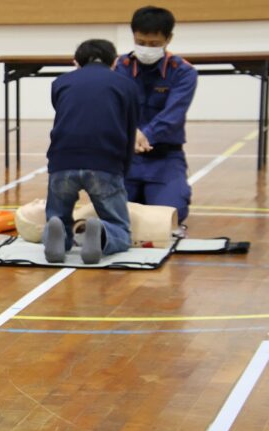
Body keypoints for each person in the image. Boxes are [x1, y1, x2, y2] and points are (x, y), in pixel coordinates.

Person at [43, 39, 138, 264]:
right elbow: (130, 129)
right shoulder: (126, 85)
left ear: (76, 63)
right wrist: (122, 170)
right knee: (120, 228)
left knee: (57, 214)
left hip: (62, 162)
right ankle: (104, 232)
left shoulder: (60, 83)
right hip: (104, 162)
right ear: (114, 62)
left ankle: (57, 236)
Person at [115, 6, 197, 228]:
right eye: (141, 42)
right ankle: (138, 199)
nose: (146, 49)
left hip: (165, 157)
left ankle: (147, 199)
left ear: (168, 39)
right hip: (125, 158)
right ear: (133, 36)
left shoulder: (183, 72)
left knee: (171, 215)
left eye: (154, 44)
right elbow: (112, 109)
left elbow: (173, 115)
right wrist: (131, 132)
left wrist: (143, 135)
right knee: (109, 214)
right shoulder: (118, 68)